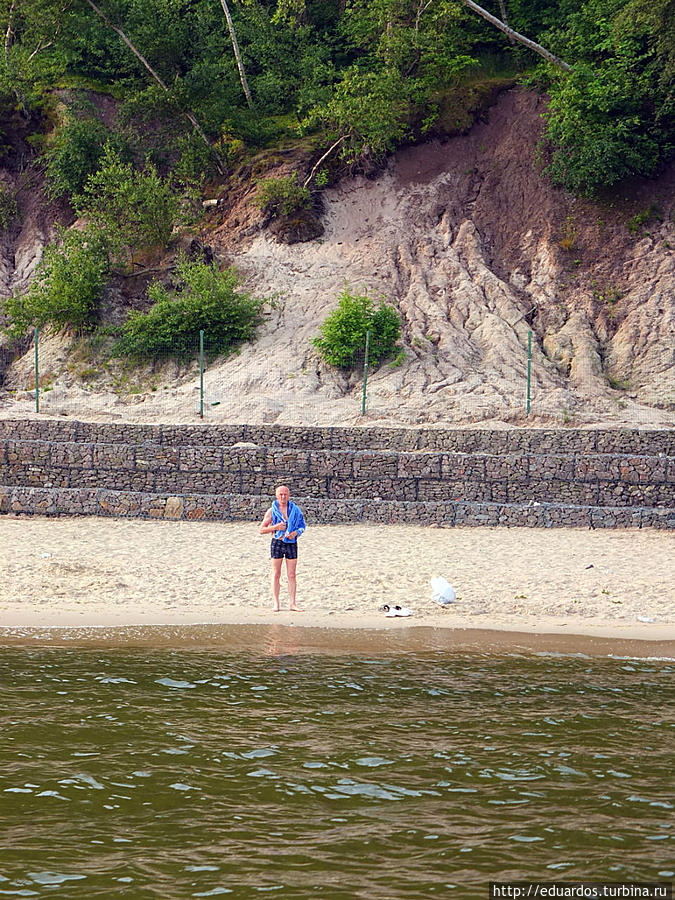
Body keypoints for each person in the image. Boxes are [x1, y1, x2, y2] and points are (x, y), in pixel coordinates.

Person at [259, 485, 307, 612]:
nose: (283, 497)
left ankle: (292, 603)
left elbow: (302, 526)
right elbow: (262, 529)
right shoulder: (271, 511)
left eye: (285, 494)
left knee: (291, 574)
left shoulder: (295, 510)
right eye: (280, 494)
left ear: (289, 495)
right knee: (276, 574)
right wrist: (275, 527)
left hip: (291, 542)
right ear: (276, 495)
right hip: (277, 543)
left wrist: (295, 533)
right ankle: (276, 603)